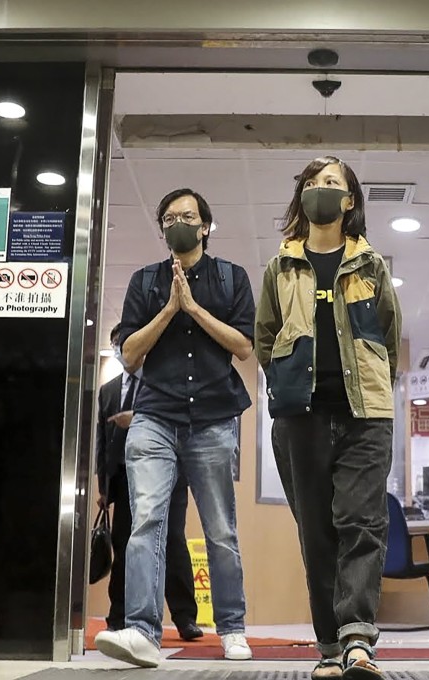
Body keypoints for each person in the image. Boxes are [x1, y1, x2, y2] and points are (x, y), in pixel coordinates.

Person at [94, 188, 256, 668]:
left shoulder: (231, 278)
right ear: (161, 229)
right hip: (155, 416)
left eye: (187, 216)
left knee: (220, 530)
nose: (178, 223)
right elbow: (128, 354)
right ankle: (143, 631)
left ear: (205, 225)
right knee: (145, 520)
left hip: (212, 418)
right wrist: (169, 308)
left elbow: (244, 346)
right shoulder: (145, 282)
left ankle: (232, 628)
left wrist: (194, 308)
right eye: (168, 218)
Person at [255, 156, 402, 680]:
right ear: (302, 199)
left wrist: (373, 381)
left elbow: (388, 336)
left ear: (349, 201)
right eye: (313, 184)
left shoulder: (371, 265)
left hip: (366, 415)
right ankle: (328, 649)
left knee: (362, 525)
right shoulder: (280, 267)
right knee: (317, 532)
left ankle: (358, 642)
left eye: (331, 184)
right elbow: (265, 340)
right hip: (301, 417)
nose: (321, 190)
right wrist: (287, 383)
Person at [95, 323, 202, 642]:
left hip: (168, 474)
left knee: (172, 541)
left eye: (124, 342)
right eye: (115, 343)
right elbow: (103, 441)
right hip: (126, 477)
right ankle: (118, 616)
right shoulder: (109, 390)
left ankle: (185, 618)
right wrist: (104, 487)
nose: (120, 348)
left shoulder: (164, 383)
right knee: (126, 541)